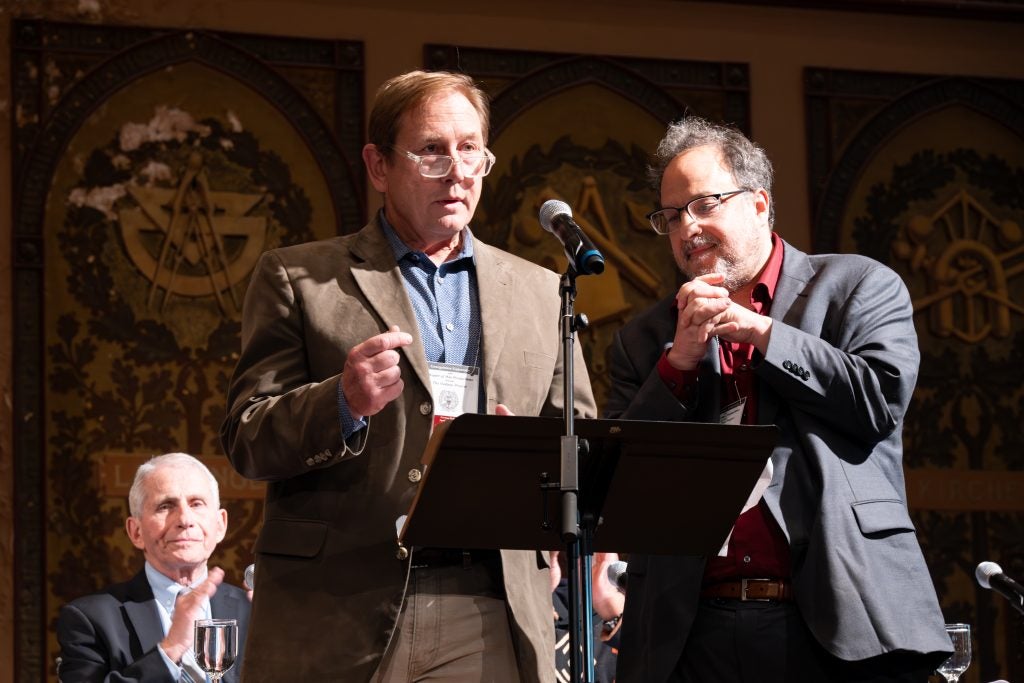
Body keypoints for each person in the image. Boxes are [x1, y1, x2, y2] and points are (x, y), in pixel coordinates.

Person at [220, 69, 596, 682]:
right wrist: (340, 401)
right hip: (342, 603)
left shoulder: (540, 291)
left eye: (471, 148)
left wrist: (525, 461)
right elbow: (246, 436)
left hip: (488, 601)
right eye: (431, 151)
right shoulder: (300, 278)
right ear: (378, 165)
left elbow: (579, 447)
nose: (457, 170)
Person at [605, 116, 952, 683]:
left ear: (760, 203)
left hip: (836, 618)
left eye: (704, 203)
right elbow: (620, 484)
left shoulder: (857, 286)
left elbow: (877, 402)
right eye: (671, 216)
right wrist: (680, 363)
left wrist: (761, 333)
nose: (686, 227)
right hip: (690, 634)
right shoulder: (647, 340)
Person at [56, 452, 251, 683]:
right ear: (135, 532)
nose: (184, 519)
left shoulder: (254, 612)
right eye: (165, 506)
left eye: (196, 503)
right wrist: (170, 650)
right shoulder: (90, 619)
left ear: (220, 525)